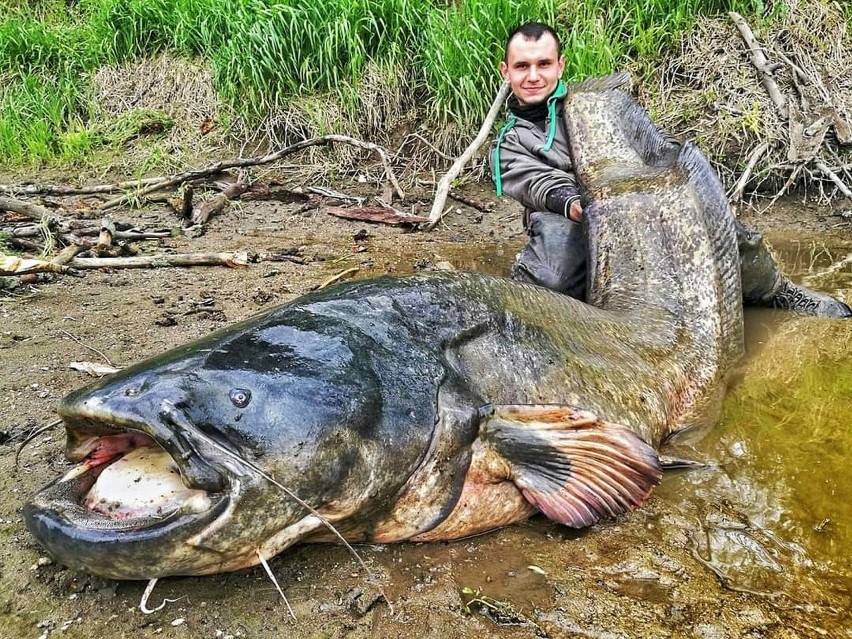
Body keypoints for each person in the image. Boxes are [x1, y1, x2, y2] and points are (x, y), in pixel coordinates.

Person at [488, 21, 852, 318]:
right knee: (550, 278)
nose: (533, 75)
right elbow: (540, 185)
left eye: (543, 64)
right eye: (522, 66)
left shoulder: (599, 105)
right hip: (571, 217)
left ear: (560, 65)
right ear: (507, 72)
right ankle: (578, 316)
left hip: (643, 200)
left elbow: (654, 148)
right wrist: (580, 205)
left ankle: (777, 292)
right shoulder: (509, 143)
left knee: (725, 231)